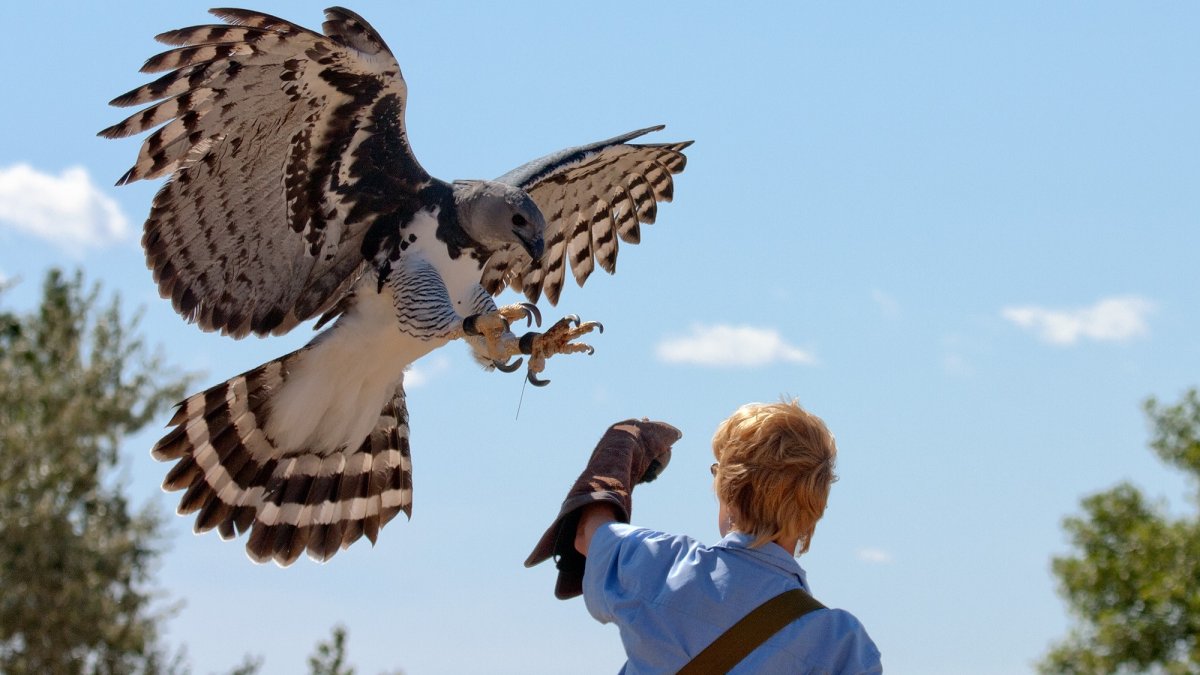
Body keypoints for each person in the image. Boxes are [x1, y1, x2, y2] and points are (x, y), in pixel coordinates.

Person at [526, 400, 882, 674]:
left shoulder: (664, 566)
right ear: (813, 510)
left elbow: (588, 533)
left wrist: (619, 454)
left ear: (727, 489)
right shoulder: (844, 646)